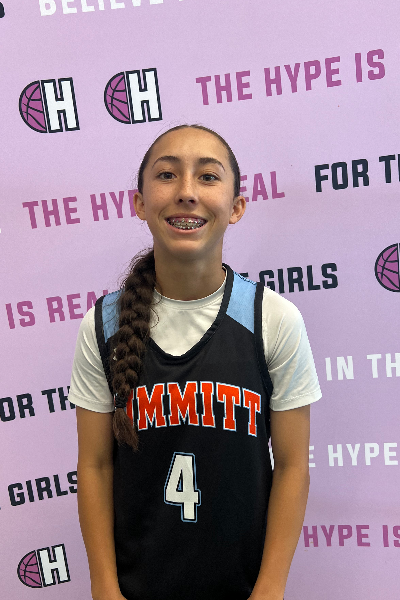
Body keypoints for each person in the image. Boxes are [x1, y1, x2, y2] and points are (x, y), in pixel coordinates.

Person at [69, 124, 322, 600]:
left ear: (236, 206)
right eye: (167, 175)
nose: (186, 192)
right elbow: (96, 466)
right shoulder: (103, 325)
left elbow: (292, 466)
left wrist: (270, 587)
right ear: (140, 203)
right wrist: (104, 586)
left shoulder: (273, 318)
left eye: (208, 176)